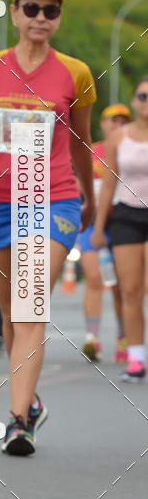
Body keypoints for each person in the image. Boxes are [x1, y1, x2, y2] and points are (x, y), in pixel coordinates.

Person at [0, 0, 96, 455]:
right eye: (32, 9)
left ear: (58, 18)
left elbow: (81, 143)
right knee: (11, 315)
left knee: (30, 305)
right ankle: (31, 401)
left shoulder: (76, 73)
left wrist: (86, 193)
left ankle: (18, 421)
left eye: (50, 11)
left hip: (52, 200)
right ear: (15, 13)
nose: (41, 18)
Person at [92, 78, 148, 382]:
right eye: (142, 96)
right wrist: (99, 227)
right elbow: (109, 183)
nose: (146, 102)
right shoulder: (119, 138)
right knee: (129, 290)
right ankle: (136, 358)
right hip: (125, 215)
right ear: (134, 100)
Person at [77, 104, 130, 362]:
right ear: (103, 122)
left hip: (120, 222)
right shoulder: (92, 150)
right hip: (92, 222)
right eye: (113, 119)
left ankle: (123, 337)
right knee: (94, 278)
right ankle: (92, 338)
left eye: (123, 120)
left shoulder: (132, 151)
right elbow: (78, 180)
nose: (117, 124)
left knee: (121, 284)